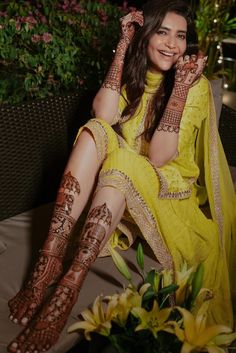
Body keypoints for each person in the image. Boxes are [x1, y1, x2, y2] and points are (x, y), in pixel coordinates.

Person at [7, 0, 236, 352]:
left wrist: (179, 90)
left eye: (180, 36)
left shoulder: (194, 85)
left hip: (168, 193)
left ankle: (69, 287)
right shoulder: (134, 68)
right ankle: (47, 263)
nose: (172, 44)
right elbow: (104, 113)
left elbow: (159, 158)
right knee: (94, 130)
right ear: (145, 35)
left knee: (122, 163)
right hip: (123, 185)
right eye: (162, 32)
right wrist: (123, 48)